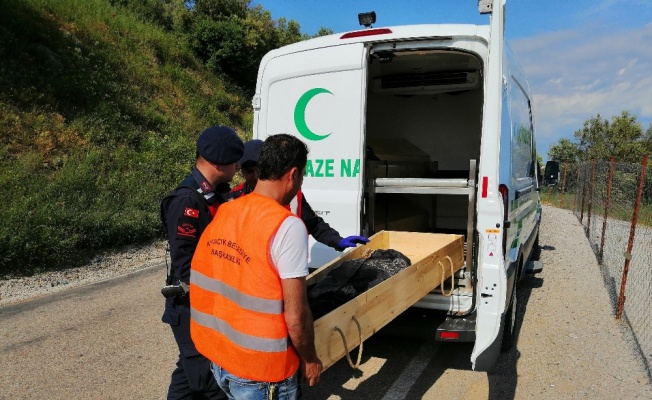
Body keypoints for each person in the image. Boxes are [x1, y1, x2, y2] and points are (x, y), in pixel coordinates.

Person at [190, 134, 322, 400]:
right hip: (262, 372)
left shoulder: (228, 211)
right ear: (293, 174)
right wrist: (310, 359)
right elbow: (296, 317)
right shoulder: (286, 226)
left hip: (221, 358)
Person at [160, 125, 244, 400]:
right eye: (234, 162)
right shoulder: (187, 200)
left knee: (189, 376)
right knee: (210, 382)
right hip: (193, 307)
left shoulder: (214, 194)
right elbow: (186, 267)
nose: (237, 168)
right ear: (219, 162)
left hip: (207, 304)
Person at [227, 139, 369, 251]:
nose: (256, 176)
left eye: (259, 169)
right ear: (241, 172)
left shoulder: (293, 196)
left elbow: (314, 225)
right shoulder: (231, 200)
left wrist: (338, 241)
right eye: (249, 171)